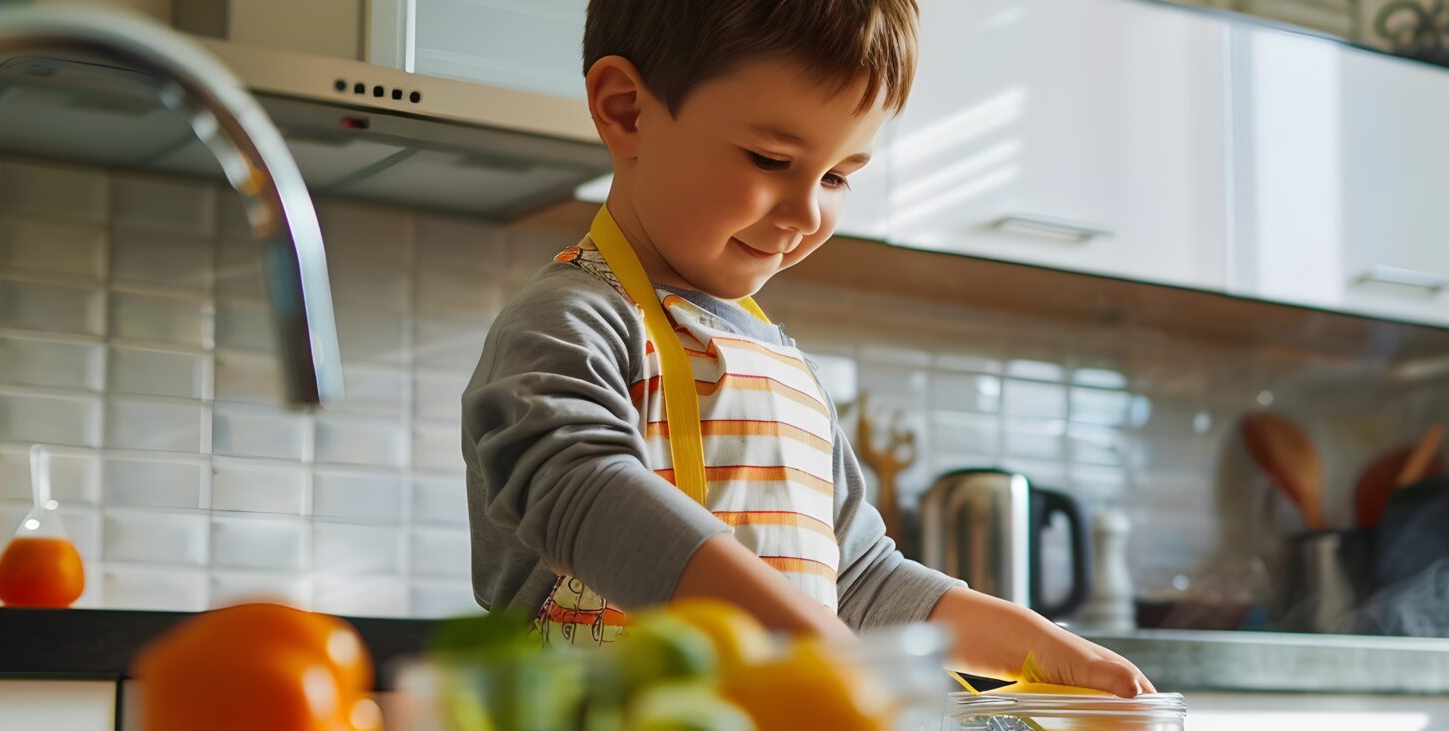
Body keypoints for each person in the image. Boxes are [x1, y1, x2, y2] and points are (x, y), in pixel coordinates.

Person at [460, 0, 1153, 697]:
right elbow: (583, 487)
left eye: (837, 176)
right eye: (771, 159)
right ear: (626, 111)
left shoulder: (789, 371)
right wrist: (814, 642)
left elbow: (860, 579)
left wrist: (1042, 648)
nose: (807, 213)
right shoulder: (570, 319)